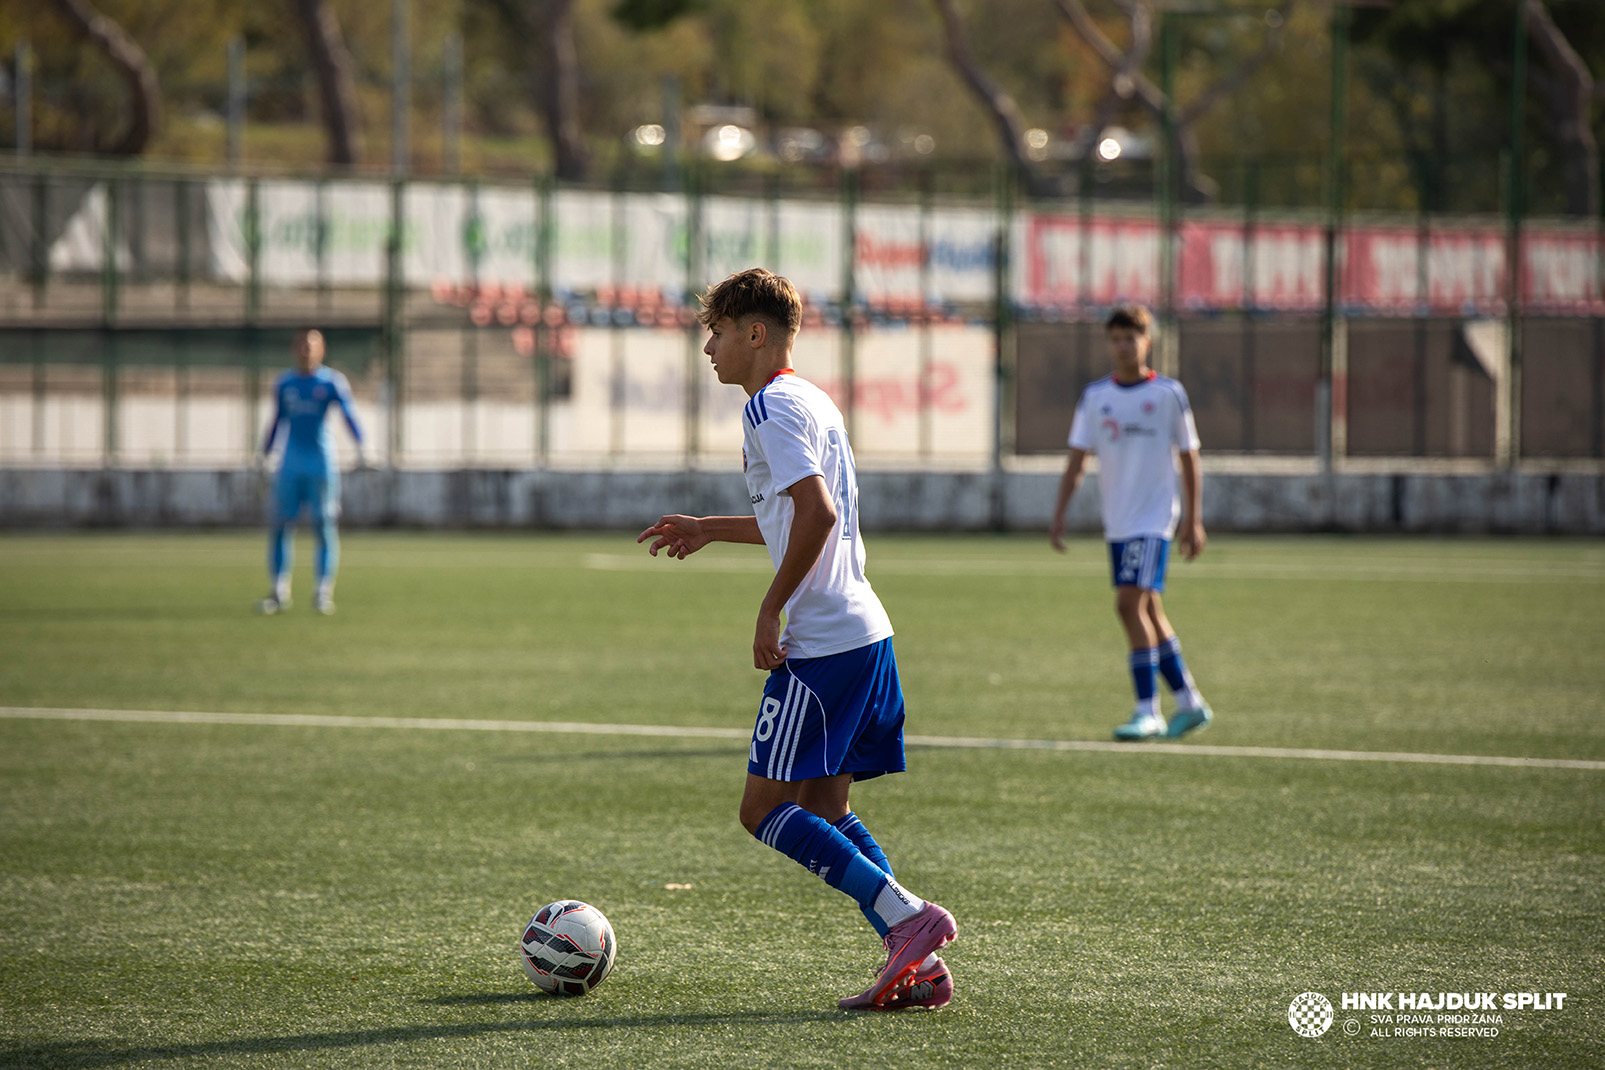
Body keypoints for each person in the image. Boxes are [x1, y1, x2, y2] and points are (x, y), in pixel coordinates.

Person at [637, 268, 956, 1011]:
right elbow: (797, 517)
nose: (708, 347)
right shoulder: (808, 398)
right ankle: (915, 959)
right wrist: (709, 528)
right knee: (821, 806)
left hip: (821, 644)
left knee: (763, 810)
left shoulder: (767, 409)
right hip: (864, 633)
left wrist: (769, 609)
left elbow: (815, 517)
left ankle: (907, 920)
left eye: (717, 331)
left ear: (755, 334)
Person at [1048, 305, 1213, 741]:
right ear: (1108, 343)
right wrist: (1060, 512)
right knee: (1150, 610)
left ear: (1148, 342)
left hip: (1154, 519)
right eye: (1116, 338)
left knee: (1127, 606)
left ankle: (1148, 710)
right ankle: (1191, 701)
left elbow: (1189, 457)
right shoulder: (1095, 396)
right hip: (1118, 521)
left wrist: (1193, 520)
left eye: (1131, 337)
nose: (1123, 346)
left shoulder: (1168, 395)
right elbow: (1077, 460)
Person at [257, 328, 366, 616]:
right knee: (281, 525)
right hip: (290, 464)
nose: (307, 350)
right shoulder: (284, 383)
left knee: (324, 526)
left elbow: (348, 414)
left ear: (322, 350)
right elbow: (277, 420)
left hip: (321, 464)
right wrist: (264, 453)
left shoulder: (332, 382)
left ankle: (322, 592)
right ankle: (279, 591)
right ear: (294, 349)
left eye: (312, 345)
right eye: (303, 345)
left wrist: (362, 448)